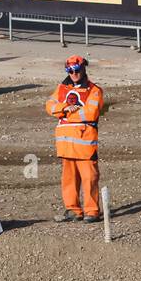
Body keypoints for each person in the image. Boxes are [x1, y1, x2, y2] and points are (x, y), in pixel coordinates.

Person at [46, 57, 105, 224]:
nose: (74, 74)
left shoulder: (94, 90)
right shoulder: (62, 88)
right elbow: (49, 106)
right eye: (70, 71)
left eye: (76, 70)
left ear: (84, 69)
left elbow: (91, 113)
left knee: (89, 178)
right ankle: (73, 210)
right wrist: (64, 108)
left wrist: (65, 115)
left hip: (84, 144)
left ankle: (92, 211)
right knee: (68, 179)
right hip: (66, 144)